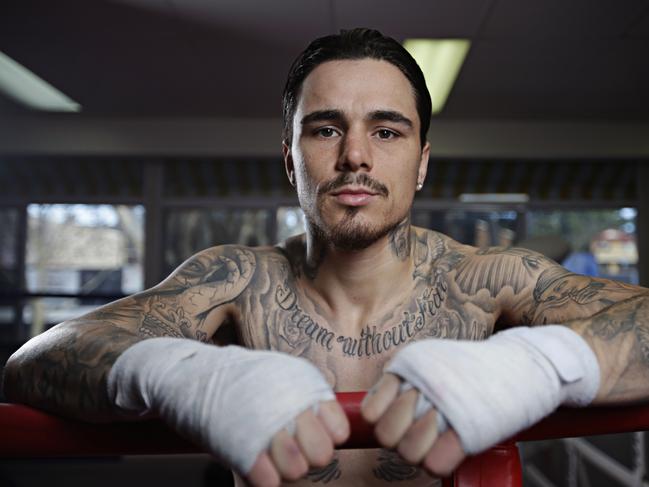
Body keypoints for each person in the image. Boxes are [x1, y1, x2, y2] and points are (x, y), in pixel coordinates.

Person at [3, 28, 649, 487]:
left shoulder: (489, 281)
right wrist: (182, 373)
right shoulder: (237, 281)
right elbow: (38, 358)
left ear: (421, 162)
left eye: (387, 130)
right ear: (290, 157)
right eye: (325, 128)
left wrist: (537, 366)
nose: (356, 156)